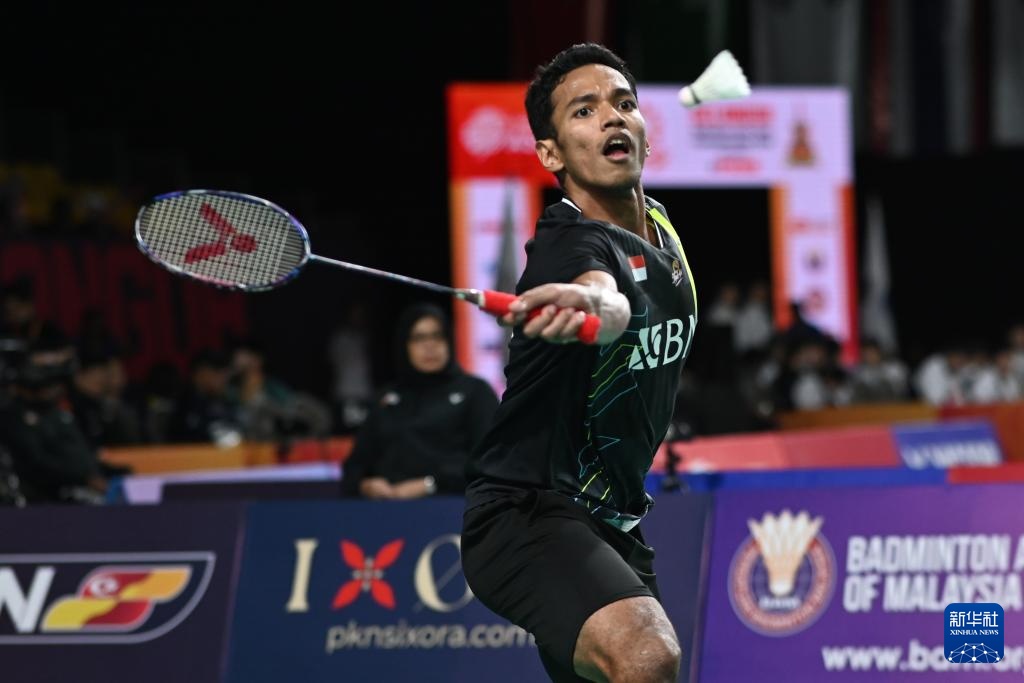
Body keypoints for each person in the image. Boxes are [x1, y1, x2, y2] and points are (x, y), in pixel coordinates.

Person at [461, 44, 698, 683]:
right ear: (551, 154)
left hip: (613, 520)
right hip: (527, 512)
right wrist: (595, 305)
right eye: (584, 111)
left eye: (624, 104)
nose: (612, 118)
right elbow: (601, 288)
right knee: (647, 655)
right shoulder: (569, 243)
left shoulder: (660, 226)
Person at [340, 304, 498, 499]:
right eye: (419, 338)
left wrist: (432, 484)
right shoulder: (387, 399)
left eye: (437, 336)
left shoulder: (475, 392)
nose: (430, 345)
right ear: (404, 346)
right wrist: (365, 485)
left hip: (456, 507)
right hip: (389, 510)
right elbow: (353, 468)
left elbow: (492, 460)